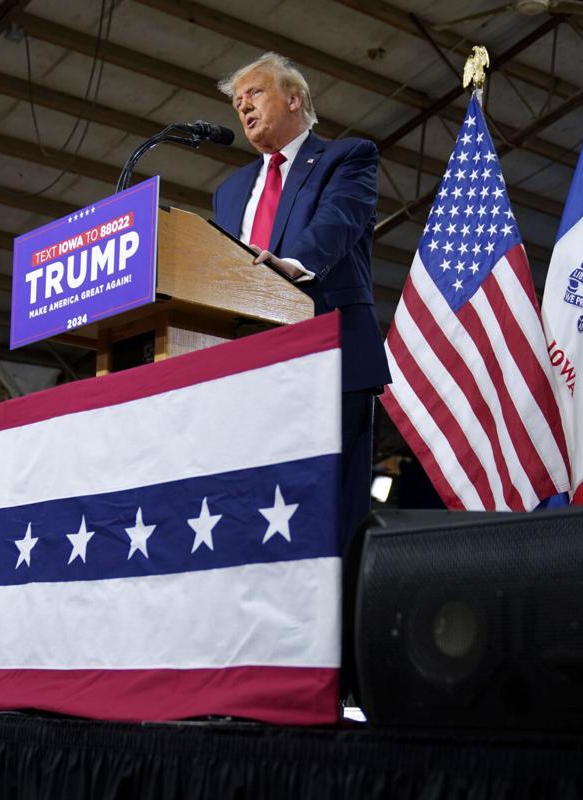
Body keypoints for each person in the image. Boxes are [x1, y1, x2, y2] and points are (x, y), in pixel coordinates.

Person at [213, 52, 391, 548]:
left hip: (329, 357)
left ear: (294, 99)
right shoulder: (228, 192)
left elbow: (338, 222)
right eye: (237, 102)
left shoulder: (347, 158)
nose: (243, 107)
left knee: (329, 513)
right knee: (254, 513)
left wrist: (293, 263)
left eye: (254, 94)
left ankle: (337, 622)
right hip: (248, 370)